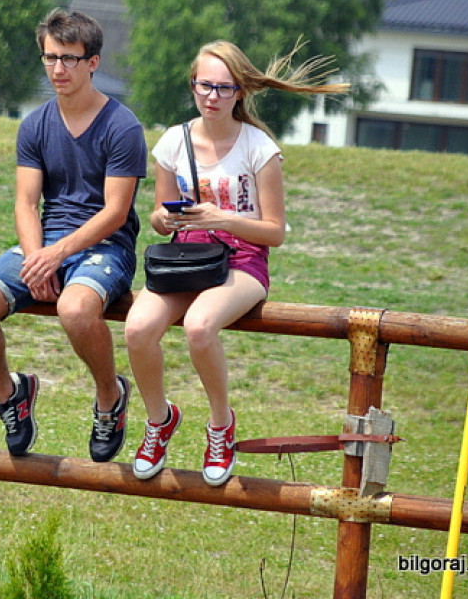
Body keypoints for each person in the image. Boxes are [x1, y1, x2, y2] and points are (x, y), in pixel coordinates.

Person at [124, 40, 347, 485]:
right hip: (188, 256)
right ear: (192, 84)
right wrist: (165, 219)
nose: (212, 96)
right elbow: (157, 217)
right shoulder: (173, 141)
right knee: (137, 328)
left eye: (224, 88)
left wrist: (222, 218)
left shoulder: (259, 148)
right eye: (204, 85)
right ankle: (159, 420)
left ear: (240, 92)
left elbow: (275, 232)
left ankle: (220, 426)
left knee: (200, 326)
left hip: (243, 260)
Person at [0, 9, 147, 463]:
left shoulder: (123, 126)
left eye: (69, 59)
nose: (58, 69)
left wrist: (55, 255)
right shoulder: (35, 124)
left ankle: (110, 397)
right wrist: (36, 257)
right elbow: (26, 204)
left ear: (92, 62)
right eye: (50, 58)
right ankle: (11, 396)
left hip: (105, 246)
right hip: (46, 244)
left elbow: (116, 212)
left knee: (74, 310)